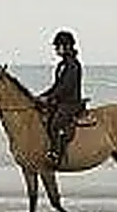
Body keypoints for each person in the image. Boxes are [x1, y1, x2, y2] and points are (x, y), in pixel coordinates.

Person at [36, 29, 86, 169]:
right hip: (61, 101)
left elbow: (66, 87)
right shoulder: (61, 65)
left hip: (71, 103)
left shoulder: (73, 65)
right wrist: (42, 96)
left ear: (67, 46)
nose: (56, 49)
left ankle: (55, 153)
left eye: (58, 46)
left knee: (55, 124)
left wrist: (50, 98)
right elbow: (56, 86)